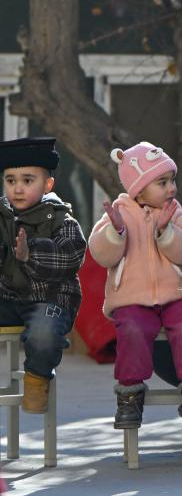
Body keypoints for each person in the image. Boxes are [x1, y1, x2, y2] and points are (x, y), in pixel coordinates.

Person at [89, 142, 182, 429]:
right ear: (138, 188)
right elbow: (101, 254)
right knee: (131, 328)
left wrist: (165, 231)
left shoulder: (174, 211)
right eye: (162, 182)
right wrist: (116, 232)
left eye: (172, 180)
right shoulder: (120, 212)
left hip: (176, 294)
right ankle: (130, 394)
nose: (171, 188)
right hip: (132, 298)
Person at [0, 138, 85, 413]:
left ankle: (37, 378)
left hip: (47, 299)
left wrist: (30, 254)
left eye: (27, 180)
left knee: (43, 333)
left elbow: (71, 257)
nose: (18, 188)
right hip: (7, 296)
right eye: (10, 181)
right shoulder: (2, 217)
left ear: (47, 185)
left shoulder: (62, 219)